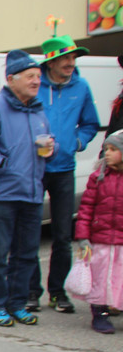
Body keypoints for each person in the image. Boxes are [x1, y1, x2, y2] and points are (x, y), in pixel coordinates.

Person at [0, 50, 54, 327]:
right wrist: (3, 163)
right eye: (30, 76)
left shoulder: (37, 110)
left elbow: (44, 142)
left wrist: (50, 148)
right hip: (2, 194)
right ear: (11, 79)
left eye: (38, 76)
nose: (36, 81)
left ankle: (17, 304)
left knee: (26, 254)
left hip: (32, 192)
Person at [26, 33, 100, 314]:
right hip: (35, 169)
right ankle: (31, 292)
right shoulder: (35, 85)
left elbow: (90, 124)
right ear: (51, 62)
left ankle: (58, 292)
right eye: (65, 58)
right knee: (30, 231)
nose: (71, 63)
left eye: (73, 58)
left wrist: (76, 142)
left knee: (62, 235)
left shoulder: (81, 87)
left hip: (65, 169)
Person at [73, 130, 123, 334]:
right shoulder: (98, 177)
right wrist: (83, 237)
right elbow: (86, 208)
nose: (107, 153)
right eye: (106, 149)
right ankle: (99, 314)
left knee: (119, 278)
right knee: (100, 279)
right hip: (100, 240)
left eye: (113, 149)